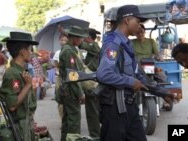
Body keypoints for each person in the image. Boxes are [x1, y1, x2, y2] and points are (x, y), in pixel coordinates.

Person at [97, 5, 149, 141]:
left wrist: (162, 93)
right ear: (127, 21)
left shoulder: (127, 44)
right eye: (137, 22)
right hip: (114, 108)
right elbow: (104, 74)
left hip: (129, 106)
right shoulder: (113, 44)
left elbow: (136, 74)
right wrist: (131, 82)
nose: (139, 26)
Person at [0, 32, 38, 141]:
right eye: (30, 49)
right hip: (20, 126)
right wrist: (28, 85)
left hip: (25, 122)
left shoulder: (21, 71)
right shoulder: (13, 73)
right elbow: (12, 105)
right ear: (22, 52)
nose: (31, 53)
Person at [59, 25, 87, 141]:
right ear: (74, 38)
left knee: (67, 121)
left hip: (67, 90)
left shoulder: (67, 49)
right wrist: (80, 93)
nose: (81, 41)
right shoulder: (69, 51)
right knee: (73, 122)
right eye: (80, 38)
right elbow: (73, 76)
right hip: (71, 91)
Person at [78, 28, 101, 138]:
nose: (82, 39)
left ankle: (95, 134)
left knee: (92, 111)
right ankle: (95, 133)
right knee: (92, 111)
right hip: (93, 82)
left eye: (83, 36)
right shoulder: (93, 49)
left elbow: (83, 45)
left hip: (93, 83)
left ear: (88, 37)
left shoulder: (94, 46)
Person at [53, 33, 68, 122]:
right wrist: (58, 68)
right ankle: (62, 119)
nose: (63, 42)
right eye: (62, 40)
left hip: (68, 78)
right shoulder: (58, 52)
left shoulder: (72, 51)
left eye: (65, 40)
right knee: (60, 98)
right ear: (59, 41)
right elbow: (55, 63)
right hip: (60, 77)